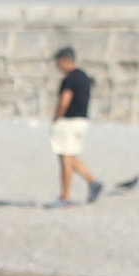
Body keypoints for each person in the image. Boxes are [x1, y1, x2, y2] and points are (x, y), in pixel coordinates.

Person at [48, 48, 102, 208]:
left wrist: (56, 117)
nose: (57, 66)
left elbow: (65, 99)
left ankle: (65, 197)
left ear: (65, 60)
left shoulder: (70, 79)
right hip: (82, 121)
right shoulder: (84, 77)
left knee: (65, 159)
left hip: (68, 121)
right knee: (71, 157)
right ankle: (93, 182)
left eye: (58, 62)